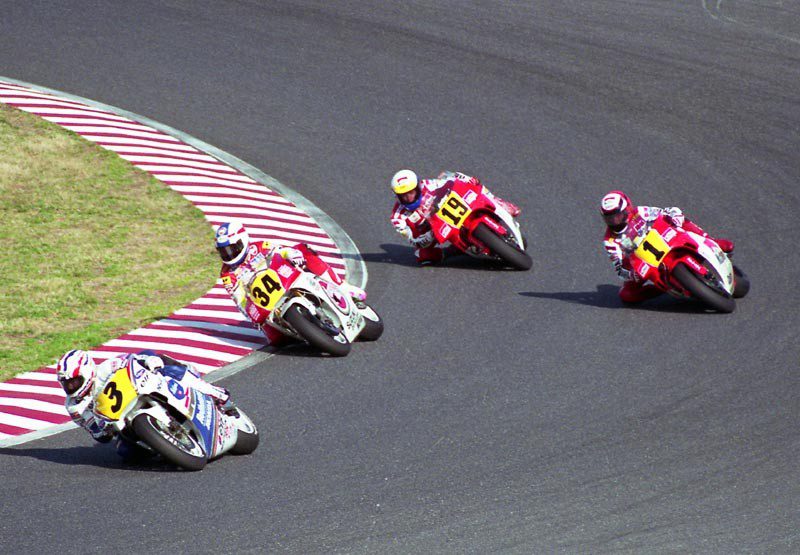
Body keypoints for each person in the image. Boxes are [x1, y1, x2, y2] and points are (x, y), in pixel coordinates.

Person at [56, 349, 235, 459]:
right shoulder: (74, 407)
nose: (71, 387)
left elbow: (131, 360)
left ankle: (213, 392)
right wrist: (102, 429)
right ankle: (164, 449)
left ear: (87, 371)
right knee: (125, 452)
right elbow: (99, 436)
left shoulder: (106, 367)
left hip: (140, 392)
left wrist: (148, 362)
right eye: (67, 384)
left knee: (164, 366)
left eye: (74, 381)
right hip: (122, 423)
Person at [215, 220, 366, 344]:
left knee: (303, 249)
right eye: (224, 251)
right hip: (268, 307)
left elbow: (281, 250)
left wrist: (293, 254)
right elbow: (239, 299)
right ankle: (303, 330)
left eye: (233, 248)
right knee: (276, 341)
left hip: (286, 280)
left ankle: (341, 286)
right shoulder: (227, 274)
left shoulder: (259, 246)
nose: (229, 254)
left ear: (243, 240)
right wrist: (251, 315)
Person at [600, 190, 734, 303]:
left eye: (617, 216)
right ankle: (663, 289)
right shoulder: (610, 241)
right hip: (643, 262)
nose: (614, 221)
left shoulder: (639, 213)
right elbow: (619, 269)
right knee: (627, 295)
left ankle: (711, 241)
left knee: (680, 220)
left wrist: (674, 215)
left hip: (664, 239)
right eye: (609, 218)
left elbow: (663, 212)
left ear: (627, 209)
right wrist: (631, 274)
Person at [390, 169, 521, 265]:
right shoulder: (397, 217)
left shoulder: (428, 185)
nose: (408, 197)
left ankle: (499, 203)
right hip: (432, 231)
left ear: (418, 187)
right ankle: (453, 251)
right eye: (403, 195)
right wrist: (427, 237)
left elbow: (449, 179)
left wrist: (465, 179)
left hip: (450, 209)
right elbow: (413, 240)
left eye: (411, 192)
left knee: (475, 185)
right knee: (422, 255)